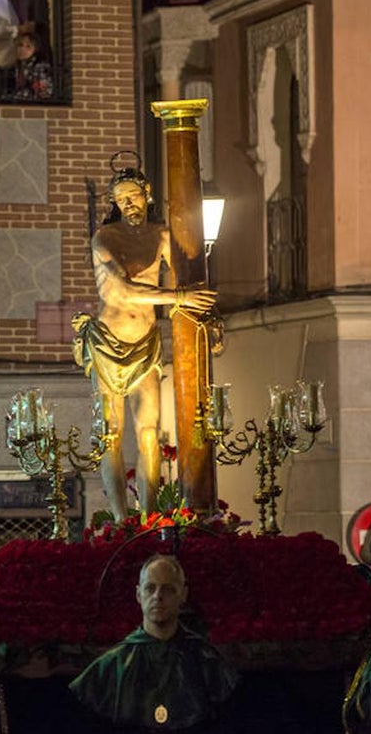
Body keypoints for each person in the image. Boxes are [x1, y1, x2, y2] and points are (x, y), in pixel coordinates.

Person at [72, 162, 216, 519]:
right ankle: (121, 518)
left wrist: (207, 318)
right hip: (107, 341)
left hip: (146, 344)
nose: (127, 204)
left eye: (133, 195)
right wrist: (179, 298)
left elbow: (187, 277)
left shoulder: (162, 236)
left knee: (149, 430)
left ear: (147, 194)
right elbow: (122, 291)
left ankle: (150, 515)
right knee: (112, 432)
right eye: (120, 199)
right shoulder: (104, 238)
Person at [69, 555, 239, 731]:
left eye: (168, 589)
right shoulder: (112, 666)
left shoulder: (207, 662)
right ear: (138, 594)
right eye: (150, 588)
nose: (158, 596)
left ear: (183, 594)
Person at [11, 31, 53, 101]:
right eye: (20, 45)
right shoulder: (16, 67)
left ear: (35, 49)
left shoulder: (40, 66)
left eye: (28, 46)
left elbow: (45, 92)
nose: (23, 49)